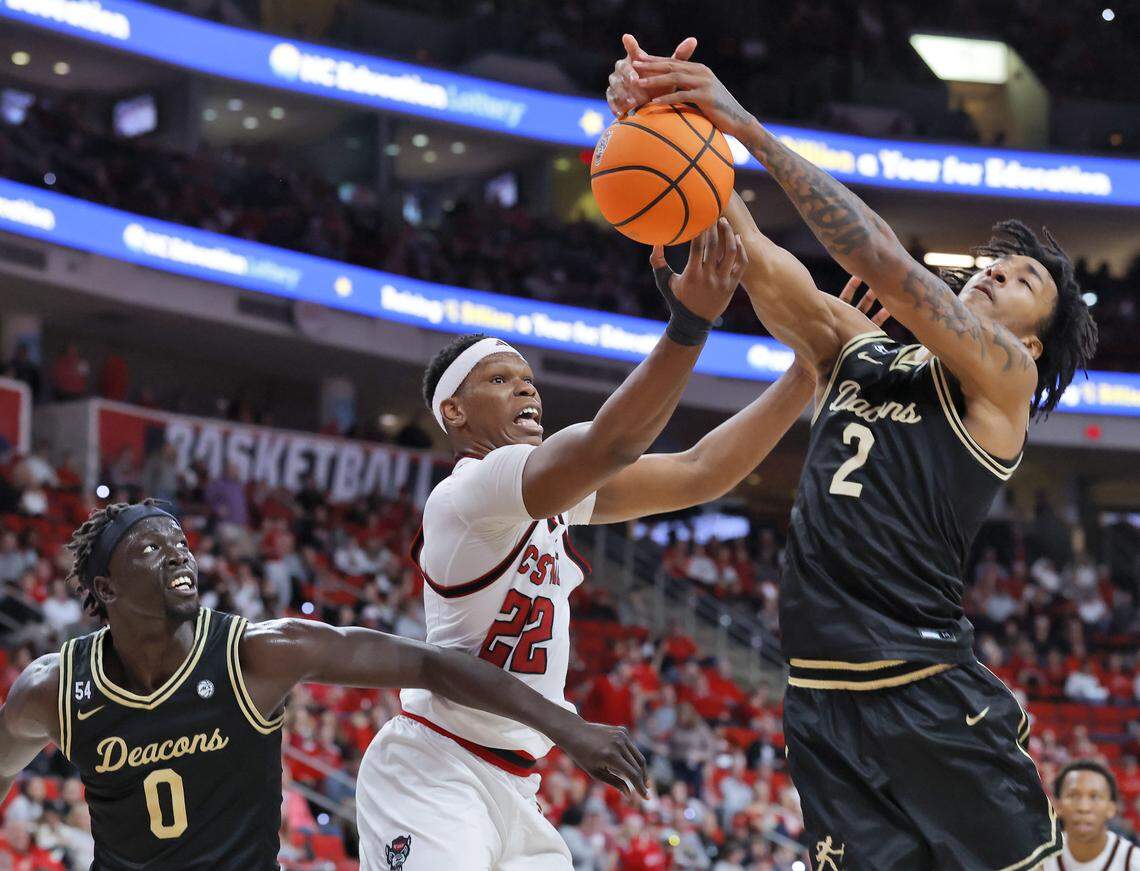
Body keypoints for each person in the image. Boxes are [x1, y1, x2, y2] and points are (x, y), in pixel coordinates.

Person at [607, 33, 1097, 871]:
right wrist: (671, 122)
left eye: (1019, 281)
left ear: (1037, 341)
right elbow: (756, 259)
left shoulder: (1004, 379)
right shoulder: (856, 348)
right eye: (993, 263)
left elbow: (881, 259)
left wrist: (746, 128)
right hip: (823, 695)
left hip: (924, 684)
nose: (991, 275)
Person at [355, 222, 828, 869]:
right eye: (498, 380)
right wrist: (688, 326)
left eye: (526, 377)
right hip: (434, 769)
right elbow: (609, 443)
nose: (525, 388)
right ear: (455, 414)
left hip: (515, 782)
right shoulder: (473, 489)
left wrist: (808, 370)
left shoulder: (546, 495)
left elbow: (698, 472)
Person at [0, 501, 648, 869]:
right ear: (106, 588)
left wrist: (567, 726)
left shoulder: (259, 652)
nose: (178, 554)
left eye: (181, 541)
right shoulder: (53, 689)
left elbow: (429, 663)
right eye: (149, 547)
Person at [1043, 761, 1140, 870]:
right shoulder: (1038, 859)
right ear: (1057, 806)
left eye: (1095, 797)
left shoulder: (1134, 861)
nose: (1084, 807)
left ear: (1111, 809)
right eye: (1073, 795)